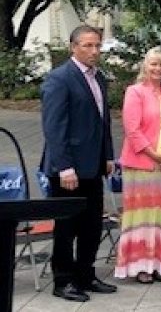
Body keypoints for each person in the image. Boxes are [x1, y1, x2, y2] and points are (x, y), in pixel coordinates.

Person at [41, 25, 118, 302]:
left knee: (91, 226)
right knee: (66, 228)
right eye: (87, 45)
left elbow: (103, 122)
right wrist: (65, 168)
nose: (94, 51)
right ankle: (63, 280)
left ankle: (86, 274)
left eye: (97, 45)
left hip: (93, 166)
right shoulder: (59, 79)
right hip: (68, 170)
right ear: (73, 47)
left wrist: (108, 155)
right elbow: (54, 128)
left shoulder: (98, 78)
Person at [115, 47, 161, 283]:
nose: (158, 69)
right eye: (153, 64)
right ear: (145, 66)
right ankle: (140, 266)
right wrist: (156, 156)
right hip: (142, 164)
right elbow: (132, 130)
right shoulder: (135, 92)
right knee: (142, 216)